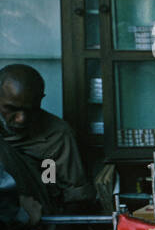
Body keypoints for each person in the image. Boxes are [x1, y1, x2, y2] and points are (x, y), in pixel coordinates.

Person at [0, 64, 96, 213]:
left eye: (30, 109)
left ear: (40, 100)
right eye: (11, 109)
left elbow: (76, 194)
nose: (21, 119)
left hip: (40, 208)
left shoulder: (57, 134)